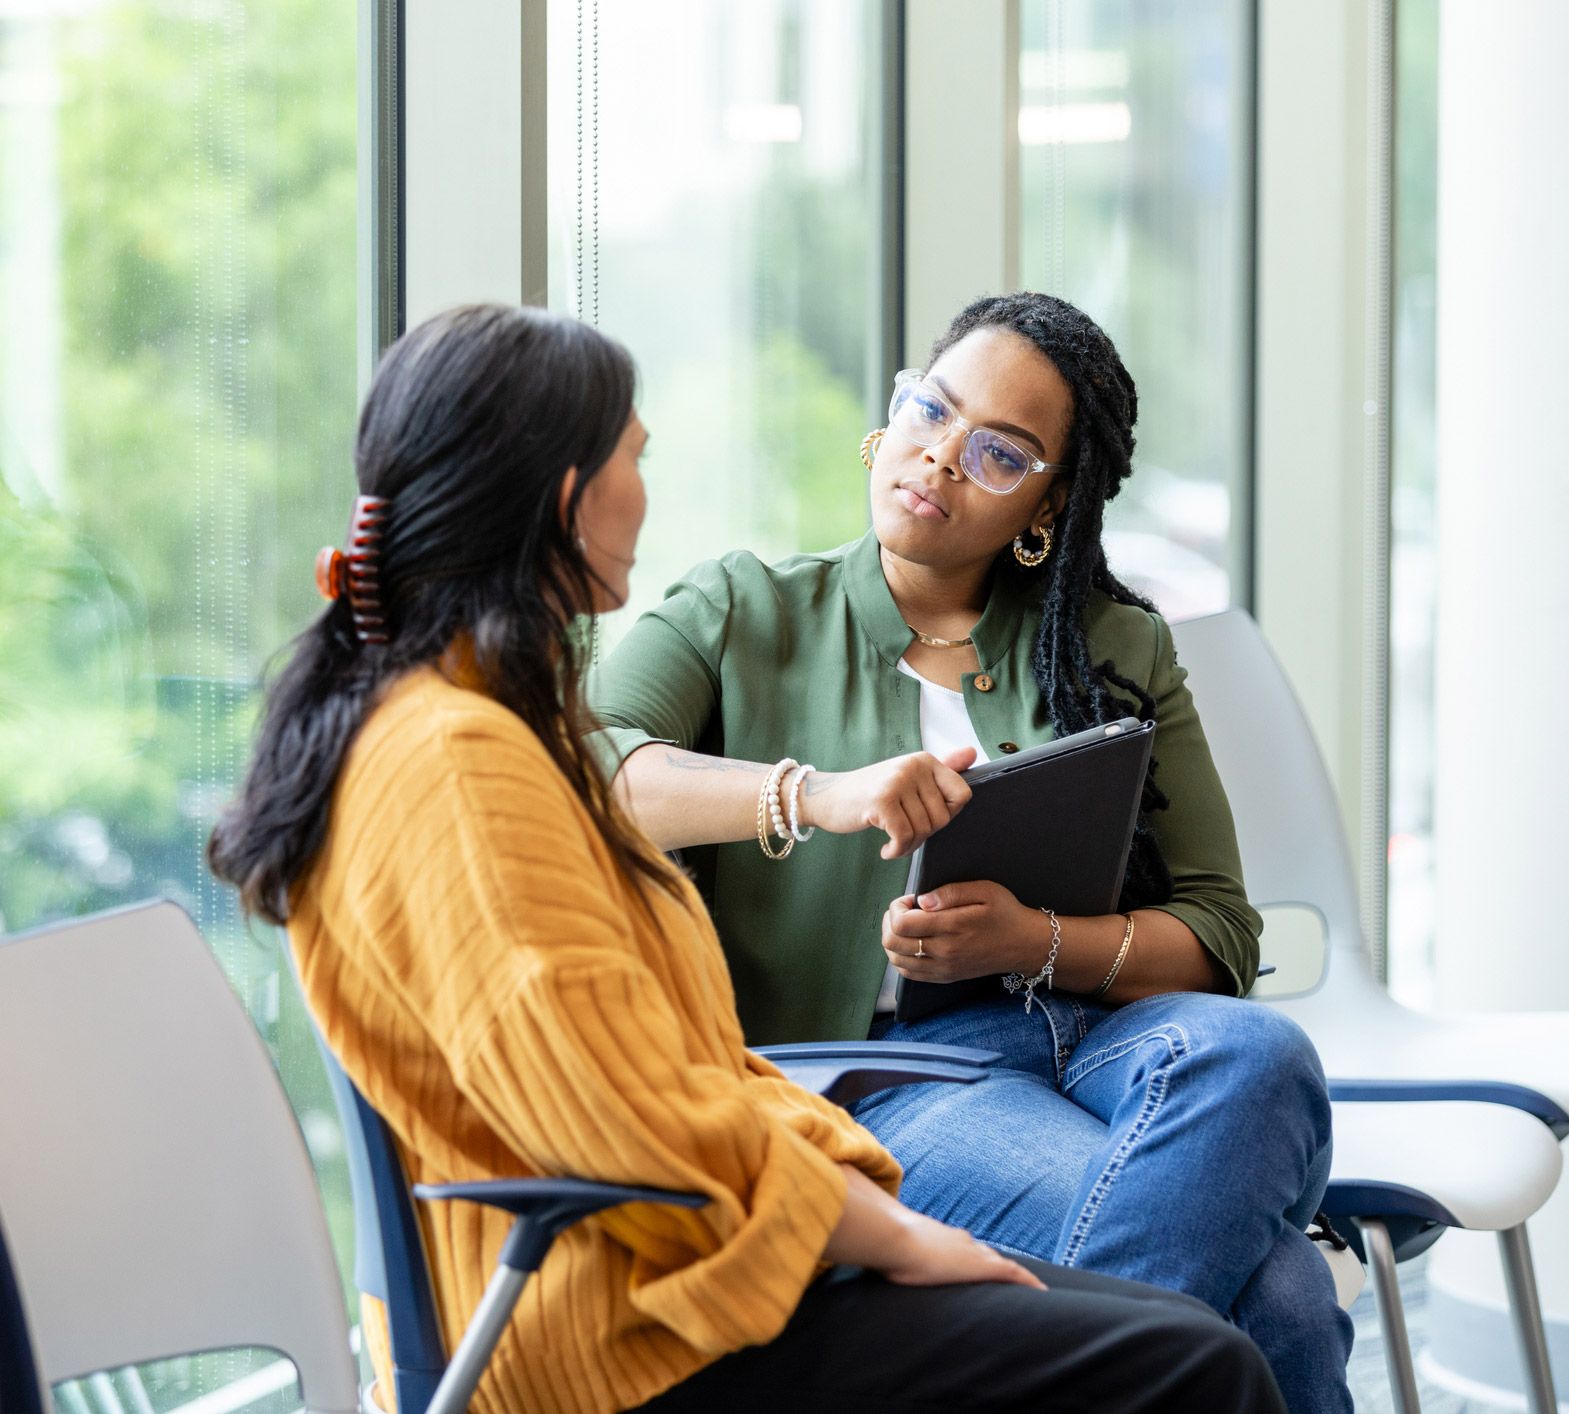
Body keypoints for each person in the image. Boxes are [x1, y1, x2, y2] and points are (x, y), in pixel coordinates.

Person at [207, 304, 1285, 1414]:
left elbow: (651, 1074)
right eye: (636, 456)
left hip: (690, 1256)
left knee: (1239, 1188)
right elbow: (616, 1112)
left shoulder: (466, 733)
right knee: (1218, 1345)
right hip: (637, 1316)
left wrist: (872, 1196)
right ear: (567, 496)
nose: (646, 488)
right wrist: (889, 1228)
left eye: (1000, 451)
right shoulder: (462, 758)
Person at [591, 291, 1354, 1412]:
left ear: (1048, 504)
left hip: (1103, 1041)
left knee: (1263, 1057)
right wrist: (821, 796)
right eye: (931, 410)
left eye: (999, 452)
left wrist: (1031, 940)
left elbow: (1218, 932)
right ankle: (1123, 1372)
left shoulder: (1115, 641)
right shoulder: (739, 610)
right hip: (884, 1076)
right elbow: (589, 772)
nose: (942, 457)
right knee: (1281, 1287)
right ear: (890, 412)